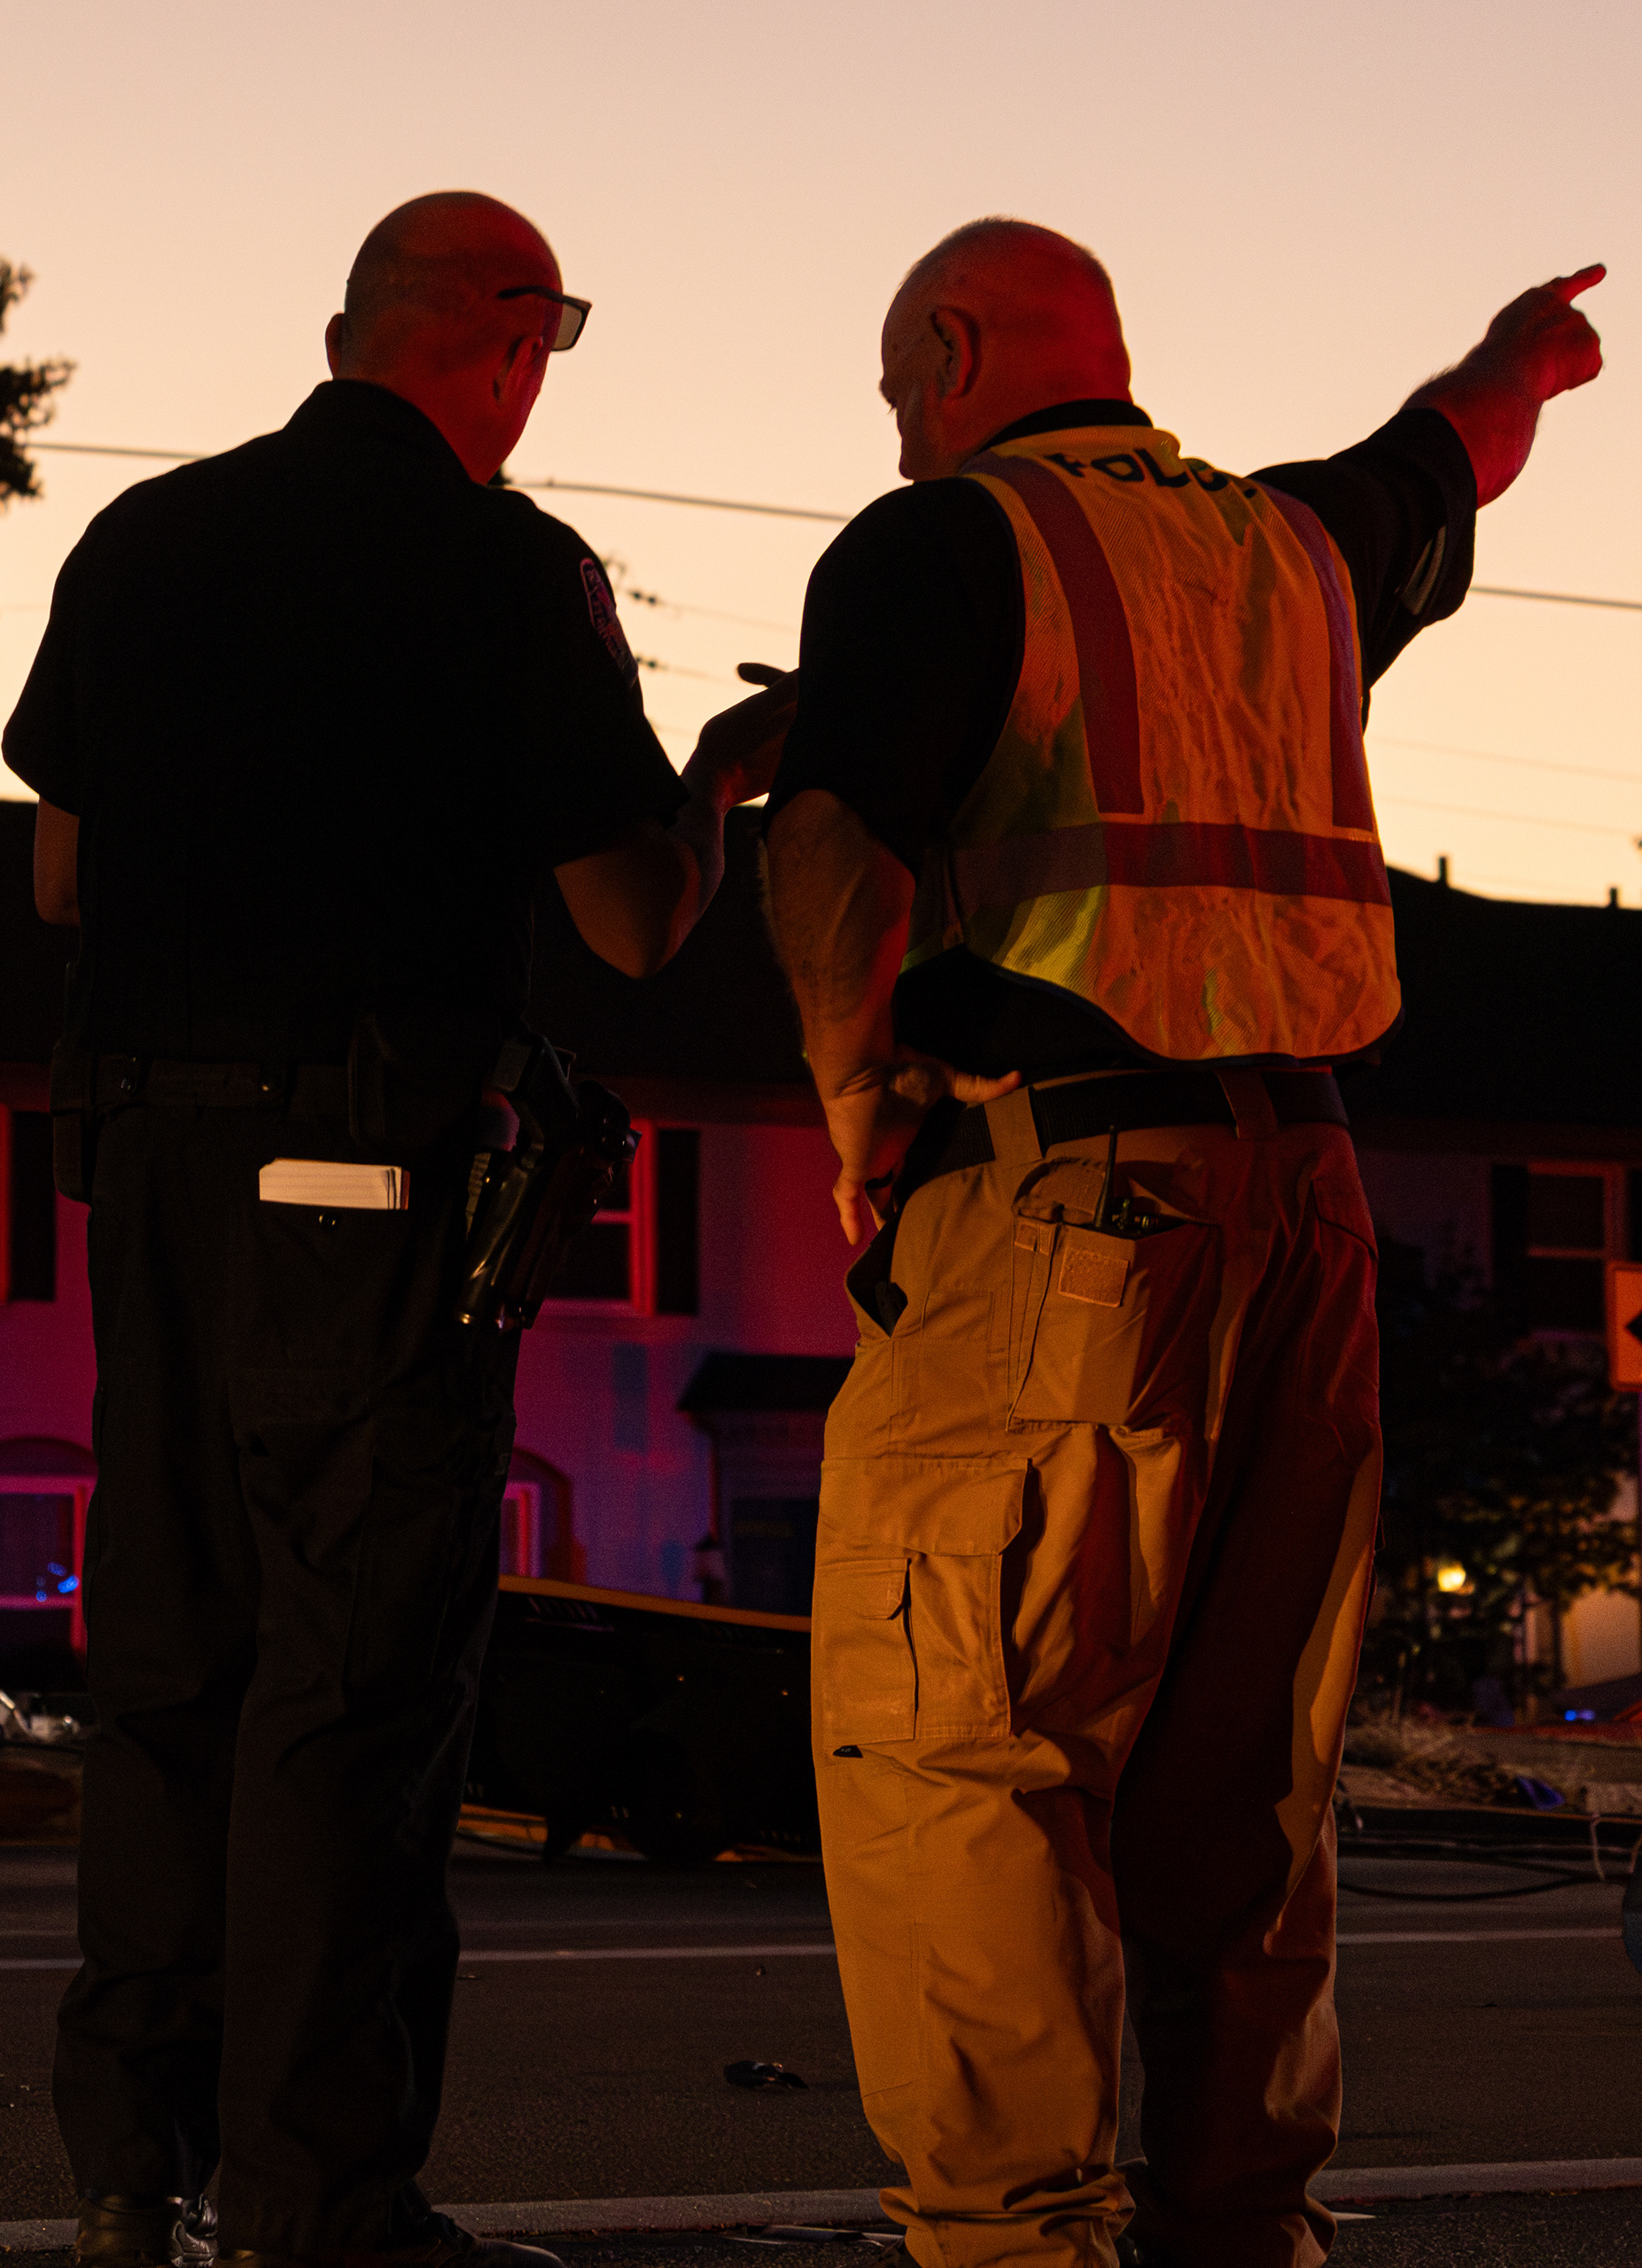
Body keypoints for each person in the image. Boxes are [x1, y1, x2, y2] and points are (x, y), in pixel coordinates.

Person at [763, 221, 1602, 2266]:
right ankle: (1243, 2230)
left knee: (969, 1758)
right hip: (1307, 1224)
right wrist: (1522, 355)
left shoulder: (945, 539)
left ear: (958, 347)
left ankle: (1015, 2245)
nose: (897, 426)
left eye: (900, 384)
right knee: (1243, 1801)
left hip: (1063, 1214)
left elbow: (824, 847)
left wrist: (858, 1095)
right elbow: (1443, 455)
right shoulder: (1289, 553)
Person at [6, 191, 789, 2268]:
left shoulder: (139, 541)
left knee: (170, 1657)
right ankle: (311, 2190)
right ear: (512, 339)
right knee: (349, 1683)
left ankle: (123, 2163)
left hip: (143, 1171)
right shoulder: (506, 570)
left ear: (348, 327)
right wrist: (716, 777)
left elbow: (61, 884)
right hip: (361, 1182)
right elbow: (630, 917)